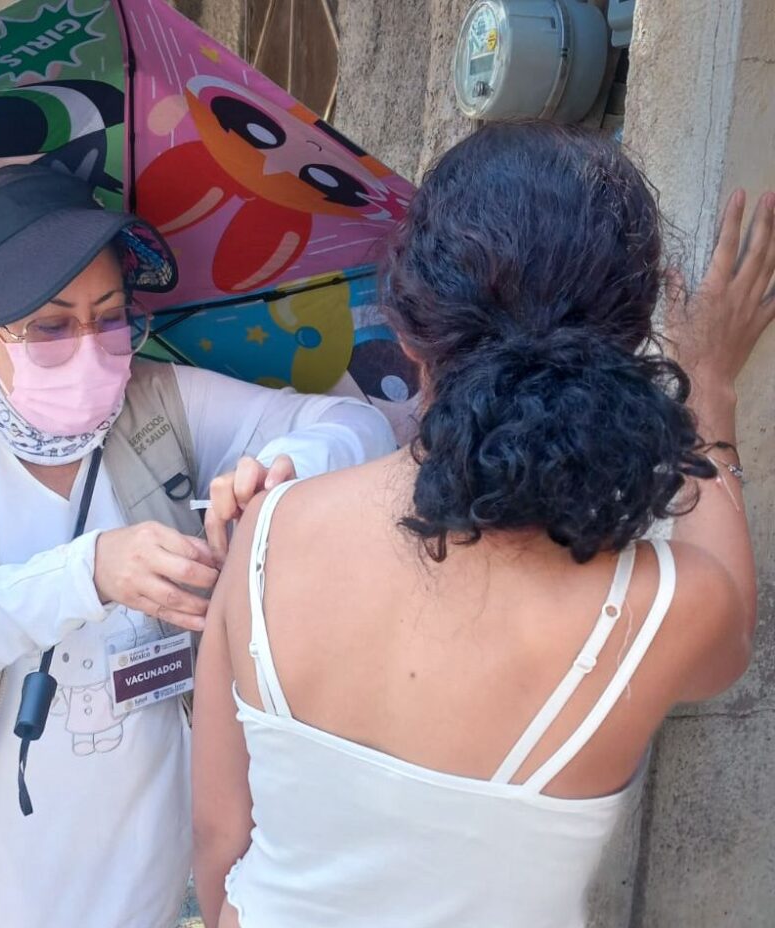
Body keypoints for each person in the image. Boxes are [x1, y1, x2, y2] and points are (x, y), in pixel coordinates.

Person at [191, 122, 775, 928]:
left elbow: (218, 841)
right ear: (626, 347)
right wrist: (709, 384)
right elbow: (729, 644)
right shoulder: (665, 610)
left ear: (405, 328)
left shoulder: (267, 532)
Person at [0, 163, 396, 928]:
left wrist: (284, 470)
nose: (90, 349)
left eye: (112, 317)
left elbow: (361, 426)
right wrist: (87, 572)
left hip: (136, 896)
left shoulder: (158, 406)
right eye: (51, 328)